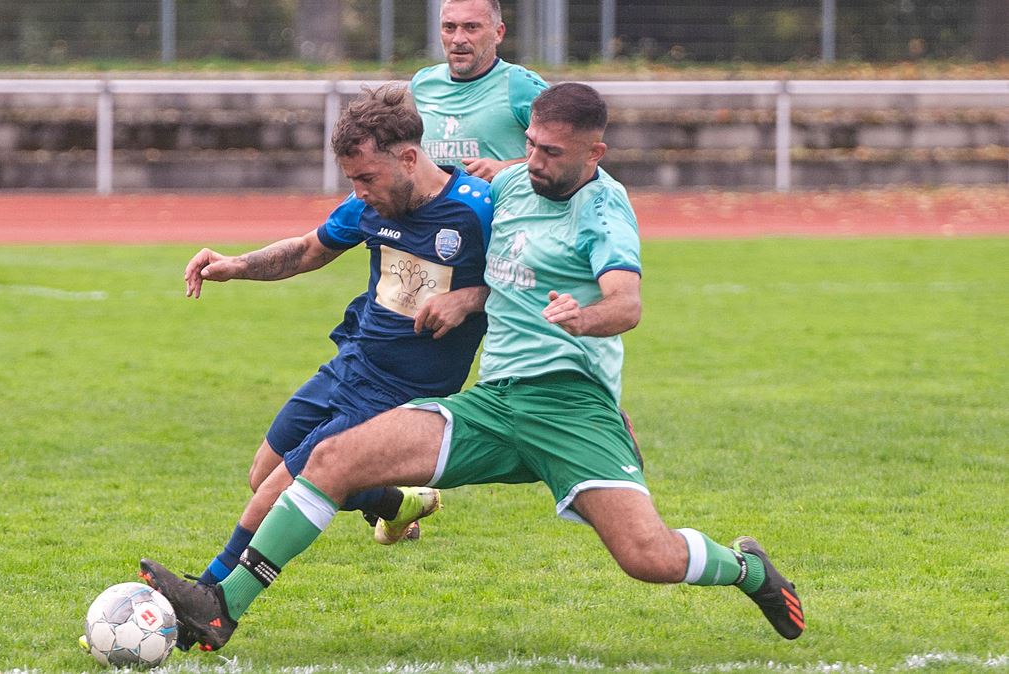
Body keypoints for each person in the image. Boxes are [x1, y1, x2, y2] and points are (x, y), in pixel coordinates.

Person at [141, 83, 806, 651]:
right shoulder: (507, 185)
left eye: (551, 152)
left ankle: (749, 570)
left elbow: (626, 303)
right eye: (531, 145)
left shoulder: (604, 208)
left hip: (568, 409)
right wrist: (468, 291)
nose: (534, 161)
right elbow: (450, 194)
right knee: (331, 460)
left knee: (646, 557)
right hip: (492, 404)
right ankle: (221, 607)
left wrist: (584, 318)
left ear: (594, 154)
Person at [158, 83, 494, 649]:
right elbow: (308, 249)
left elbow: (531, 281)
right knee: (262, 474)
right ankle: (393, 501)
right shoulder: (371, 206)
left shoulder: (478, 210)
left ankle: (208, 595)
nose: (359, 193)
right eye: (352, 180)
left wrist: (470, 297)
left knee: (283, 488)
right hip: (353, 361)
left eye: (366, 178)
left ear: (408, 158)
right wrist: (235, 265)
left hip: (403, 389)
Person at [412, 0, 548, 182]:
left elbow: (569, 152)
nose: (458, 39)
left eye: (471, 27)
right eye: (449, 27)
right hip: (434, 202)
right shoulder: (422, 84)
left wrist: (506, 169)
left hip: (502, 201)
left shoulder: (520, 84)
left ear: (498, 33)